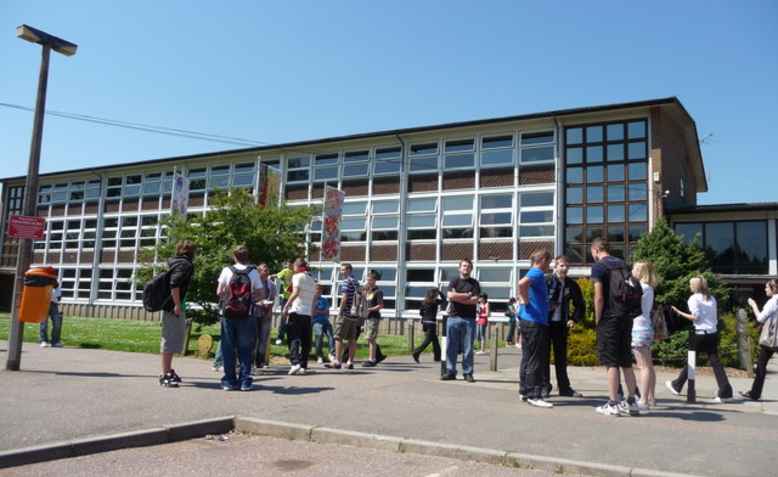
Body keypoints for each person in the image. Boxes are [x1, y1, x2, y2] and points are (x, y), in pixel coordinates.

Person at [590, 238, 641, 417]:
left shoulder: (599, 267)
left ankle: (613, 403)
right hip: (627, 317)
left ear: (596, 250)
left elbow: (599, 297)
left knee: (611, 362)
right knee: (626, 361)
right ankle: (633, 401)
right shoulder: (623, 264)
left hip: (610, 318)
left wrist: (598, 319)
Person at [667, 276, 733, 403]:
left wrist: (678, 312)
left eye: (691, 284)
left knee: (692, 361)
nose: (689, 286)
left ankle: (677, 385)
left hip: (700, 334)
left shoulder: (693, 298)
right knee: (715, 362)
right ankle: (726, 391)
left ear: (695, 286)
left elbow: (695, 317)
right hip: (712, 334)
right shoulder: (711, 298)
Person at [216, 245, 261, 391]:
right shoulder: (253, 272)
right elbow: (260, 293)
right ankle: (245, 381)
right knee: (245, 348)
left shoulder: (227, 270)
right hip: (246, 314)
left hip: (228, 314)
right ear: (247, 257)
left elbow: (219, 292)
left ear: (234, 256)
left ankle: (229, 381)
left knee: (228, 347)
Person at [543, 255, 585, 398]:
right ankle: (544, 386)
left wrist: (574, 319)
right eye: (561, 265)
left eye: (567, 266)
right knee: (544, 356)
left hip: (561, 324)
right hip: (546, 324)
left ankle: (564, 388)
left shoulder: (572, 285)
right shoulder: (547, 280)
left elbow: (580, 304)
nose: (564, 268)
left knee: (561, 358)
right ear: (555, 266)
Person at [517, 249, 553, 408]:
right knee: (535, 358)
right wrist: (525, 300)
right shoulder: (537, 272)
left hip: (528, 320)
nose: (549, 266)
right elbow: (521, 284)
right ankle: (534, 394)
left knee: (527, 356)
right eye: (549, 262)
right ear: (543, 260)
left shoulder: (534, 273)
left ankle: (524, 390)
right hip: (535, 321)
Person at [159, 240, 195, 388]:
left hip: (172, 305)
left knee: (173, 339)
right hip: (173, 307)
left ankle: (168, 370)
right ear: (192, 252)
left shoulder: (174, 262)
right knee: (169, 339)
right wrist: (177, 305)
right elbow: (174, 284)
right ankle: (165, 374)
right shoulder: (184, 265)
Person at [443, 258, 480, 383]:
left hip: (469, 319)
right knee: (450, 346)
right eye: (464, 266)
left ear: (471, 269)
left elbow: (475, 300)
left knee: (468, 347)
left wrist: (458, 297)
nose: (466, 268)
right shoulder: (454, 281)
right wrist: (467, 295)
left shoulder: (475, 283)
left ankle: (468, 373)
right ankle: (450, 371)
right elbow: (450, 296)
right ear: (459, 268)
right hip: (453, 317)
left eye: (468, 266)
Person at [741, 279, 778, 401]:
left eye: (767, 287)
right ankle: (754, 393)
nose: (765, 289)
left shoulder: (773, 302)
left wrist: (753, 305)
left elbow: (760, 318)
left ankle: (755, 393)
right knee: (761, 365)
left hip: (771, 339)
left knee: (761, 366)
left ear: (774, 289)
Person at [282, 258, 317, 375]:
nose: (293, 268)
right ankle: (303, 365)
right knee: (306, 340)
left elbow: (295, 292)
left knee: (293, 337)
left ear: (298, 267)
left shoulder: (297, 276)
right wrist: (311, 314)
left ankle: (295, 362)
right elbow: (313, 299)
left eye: (294, 266)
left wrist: (286, 306)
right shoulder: (312, 280)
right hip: (307, 313)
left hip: (296, 311)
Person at [631, 261, 657, 411]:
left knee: (643, 367)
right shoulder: (649, 288)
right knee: (649, 365)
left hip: (638, 327)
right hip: (645, 326)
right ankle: (651, 397)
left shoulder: (641, 287)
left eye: (635, 268)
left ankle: (644, 399)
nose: (632, 270)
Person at [330, 263, 361, 370]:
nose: (341, 272)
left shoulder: (346, 282)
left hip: (346, 314)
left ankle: (337, 361)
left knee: (338, 337)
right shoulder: (356, 282)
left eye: (343, 270)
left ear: (349, 270)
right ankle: (350, 361)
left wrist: (340, 311)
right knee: (352, 339)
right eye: (341, 270)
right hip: (354, 315)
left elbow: (344, 298)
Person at [254, 263, 277, 370]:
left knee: (263, 339)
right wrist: (259, 302)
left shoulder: (271, 284)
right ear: (259, 272)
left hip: (266, 314)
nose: (266, 271)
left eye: (267, 270)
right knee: (252, 338)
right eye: (264, 270)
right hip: (255, 312)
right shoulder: (254, 283)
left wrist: (269, 311)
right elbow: (252, 297)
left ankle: (260, 361)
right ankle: (249, 360)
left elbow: (272, 299)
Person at [413, 288, 445, 363]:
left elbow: (421, 313)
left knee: (435, 340)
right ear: (435, 295)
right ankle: (416, 352)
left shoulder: (424, 302)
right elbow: (444, 300)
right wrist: (440, 292)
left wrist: (425, 315)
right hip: (431, 323)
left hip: (425, 322)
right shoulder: (435, 302)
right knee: (428, 340)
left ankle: (437, 357)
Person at [362, 270, 385, 367]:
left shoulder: (378, 292)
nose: (368, 281)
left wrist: (370, 309)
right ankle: (376, 356)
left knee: (371, 338)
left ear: (375, 280)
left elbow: (380, 305)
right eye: (367, 279)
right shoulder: (367, 291)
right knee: (369, 338)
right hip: (367, 317)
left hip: (374, 317)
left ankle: (372, 359)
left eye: (370, 280)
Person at [312, 284, 335, 365]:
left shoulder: (324, 300)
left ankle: (332, 354)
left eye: (320, 290)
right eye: (317, 290)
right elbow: (312, 313)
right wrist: (321, 311)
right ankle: (319, 355)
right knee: (319, 335)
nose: (318, 291)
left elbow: (327, 312)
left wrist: (318, 311)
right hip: (316, 321)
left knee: (331, 335)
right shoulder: (312, 300)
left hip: (325, 321)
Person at [273, 260, 294, 345]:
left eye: (290, 263)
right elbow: (277, 275)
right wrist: (270, 276)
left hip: (295, 299)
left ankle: (292, 337)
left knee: (293, 319)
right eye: (287, 263)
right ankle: (280, 337)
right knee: (283, 318)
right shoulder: (285, 271)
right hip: (286, 298)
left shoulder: (297, 272)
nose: (288, 264)